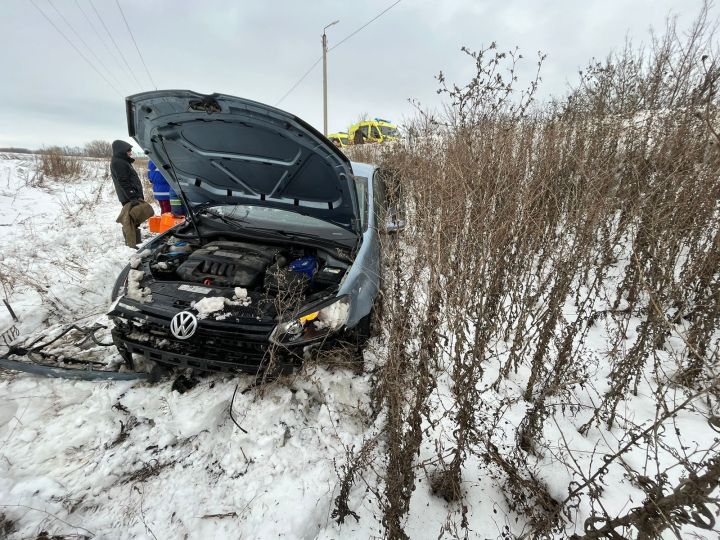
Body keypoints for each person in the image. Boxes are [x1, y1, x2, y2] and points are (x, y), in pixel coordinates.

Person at [110, 140, 154, 248]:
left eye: (130, 150)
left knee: (134, 220)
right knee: (129, 220)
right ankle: (131, 244)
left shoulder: (123, 161)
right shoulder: (118, 162)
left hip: (131, 196)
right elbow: (123, 181)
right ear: (121, 150)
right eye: (128, 150)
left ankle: (135, 242)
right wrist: (132, 196)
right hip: (129, 197)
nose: (130, 152)